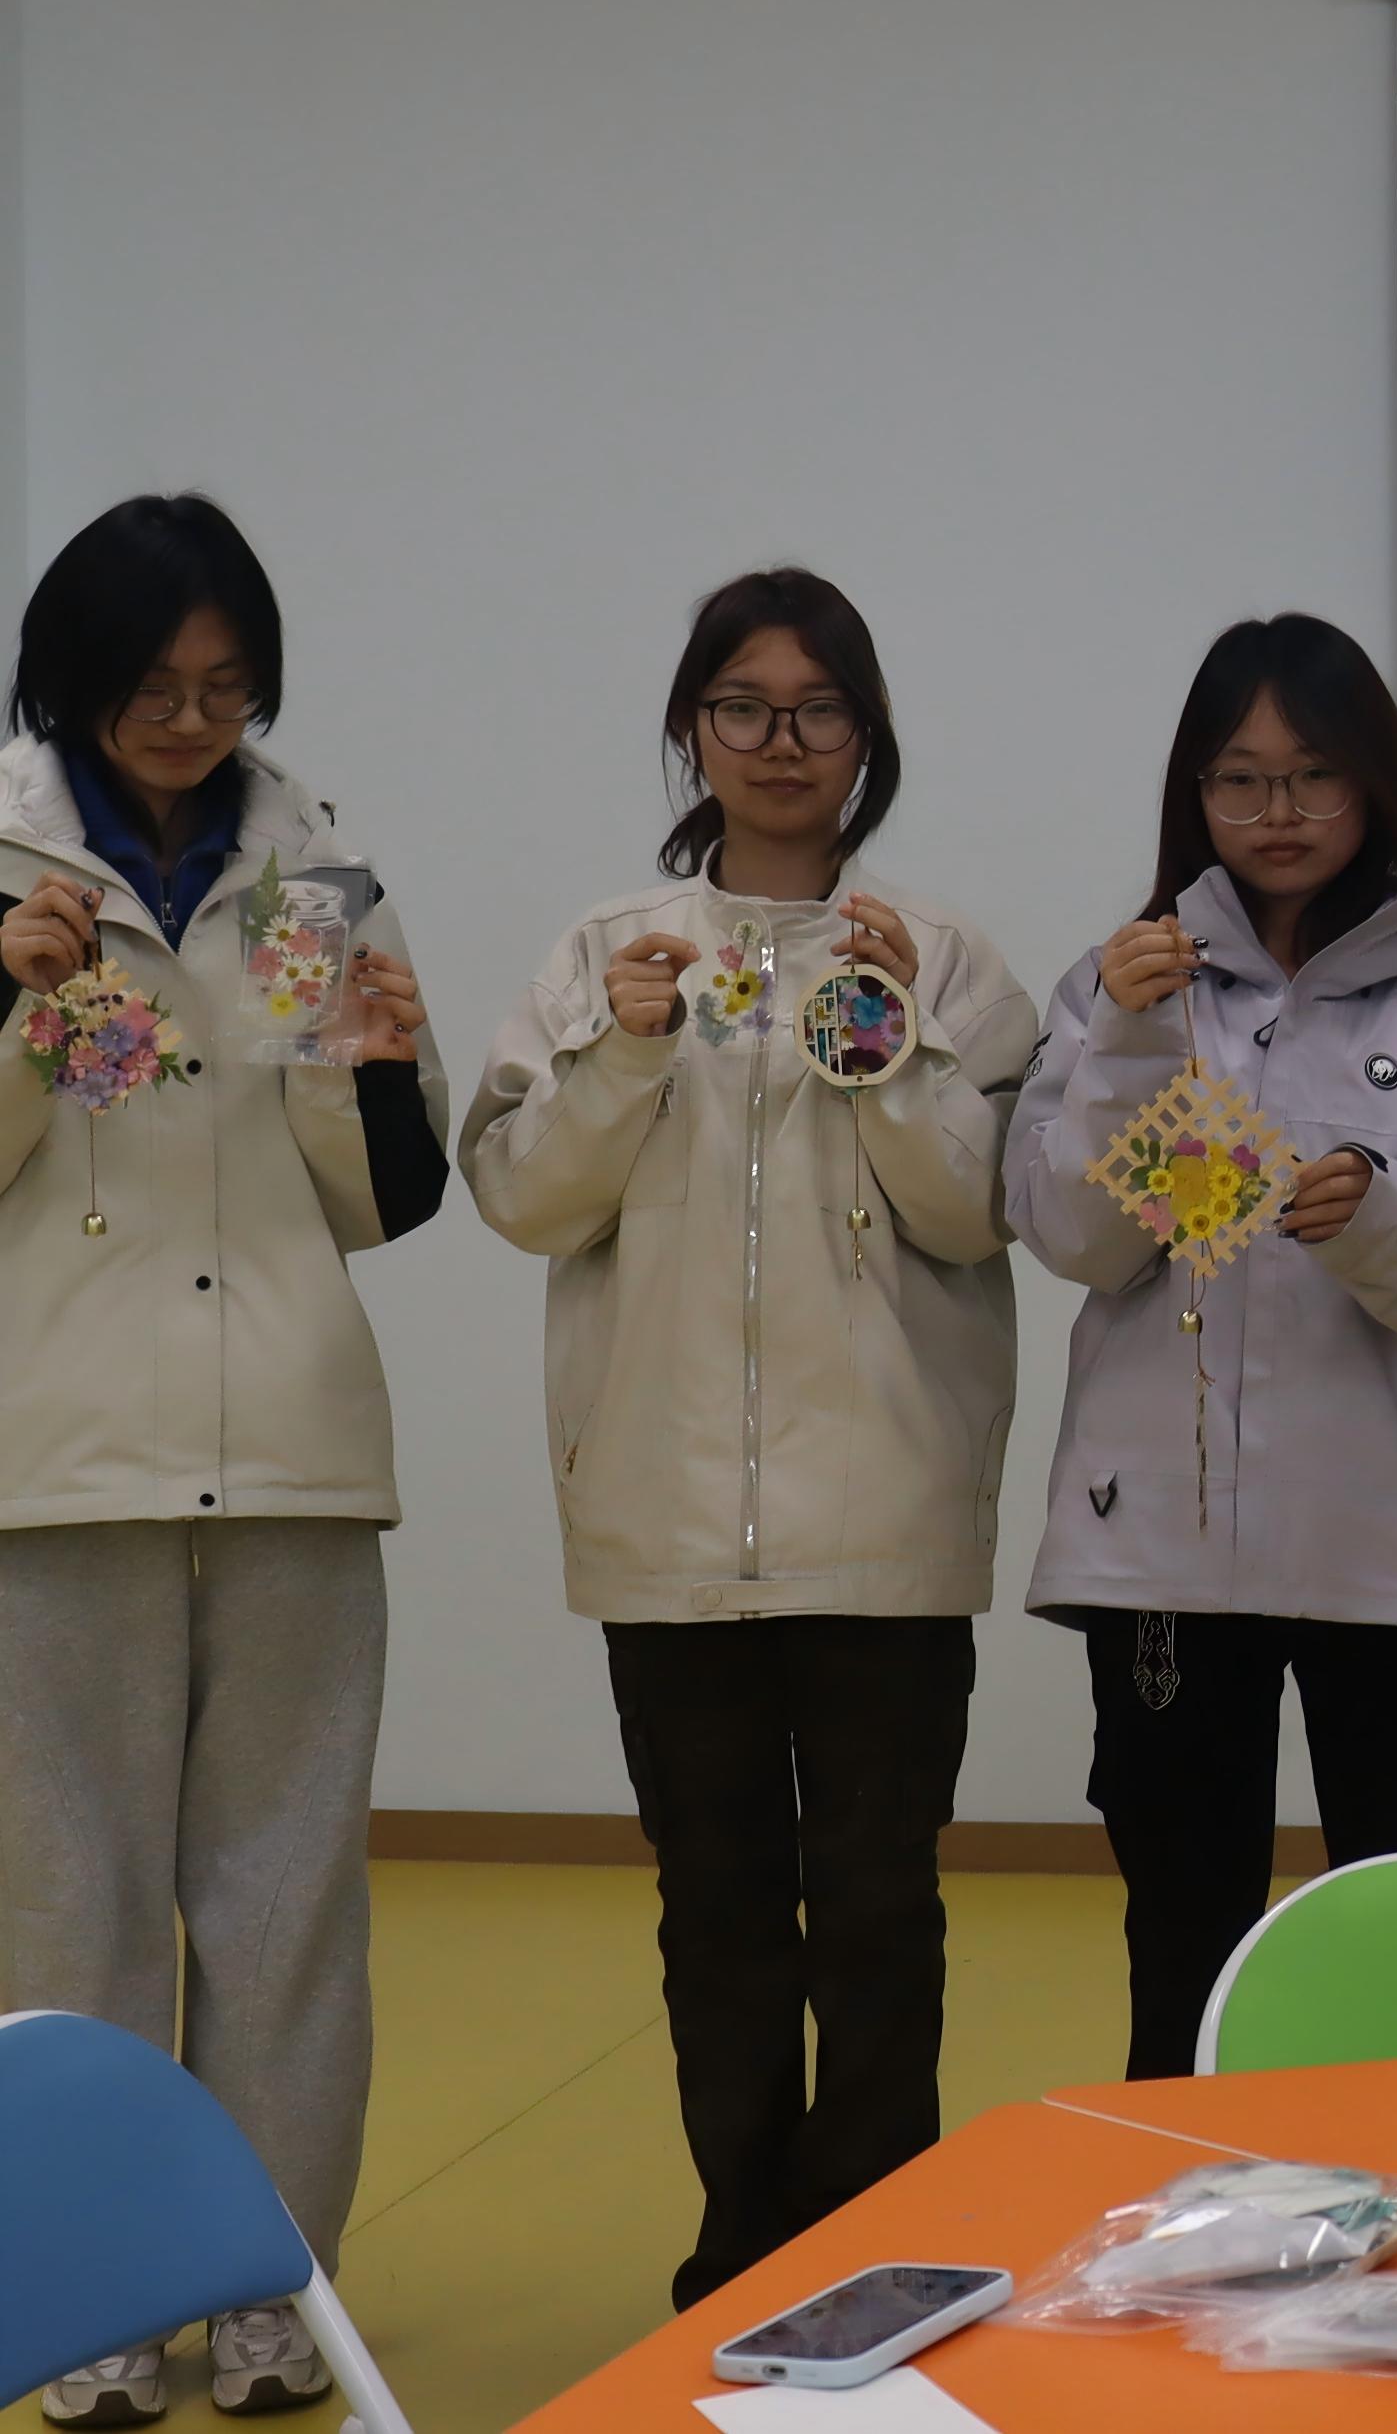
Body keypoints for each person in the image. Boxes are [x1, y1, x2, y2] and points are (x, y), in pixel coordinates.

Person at [458, 569, 1038, 2311]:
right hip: (664, 1516)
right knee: (713, 1904)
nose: (781, 742)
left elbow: (976, 1214)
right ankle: (741, 2252)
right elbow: (524, 1196)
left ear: (868, 735)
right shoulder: (606, 952)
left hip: (889, 1511)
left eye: (818, 708)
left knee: (878, 1907)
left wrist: (897, 1044)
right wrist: (623, 1055)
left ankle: (872, 2255)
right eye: (743, 706)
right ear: (692, 728)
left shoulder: (945, 959)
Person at [0, 496, 443, 2429]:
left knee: (285, 1905)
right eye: (153, 686)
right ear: (68, 682)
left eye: (226, 683)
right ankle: (94, 2298)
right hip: (57, 1454)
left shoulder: (310, 872)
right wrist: (15, 1009)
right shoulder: (2, 865)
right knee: (66, 1902)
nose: (193, 719)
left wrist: (374, 1068)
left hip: (292, 1446)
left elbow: (379, 1198)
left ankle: (274, 2291)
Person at [1011, 616, 1397, 2078]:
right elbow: (1076, 1240)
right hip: (1164, 1554)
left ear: (1376, 783)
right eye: (1240, 779)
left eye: (1314, 776)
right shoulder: (1123, 983)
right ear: (1193, 790)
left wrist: (1379, 1215)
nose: (1278, 814)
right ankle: (1191, 2211)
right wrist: (1133, 1041)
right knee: (1183, 1950)